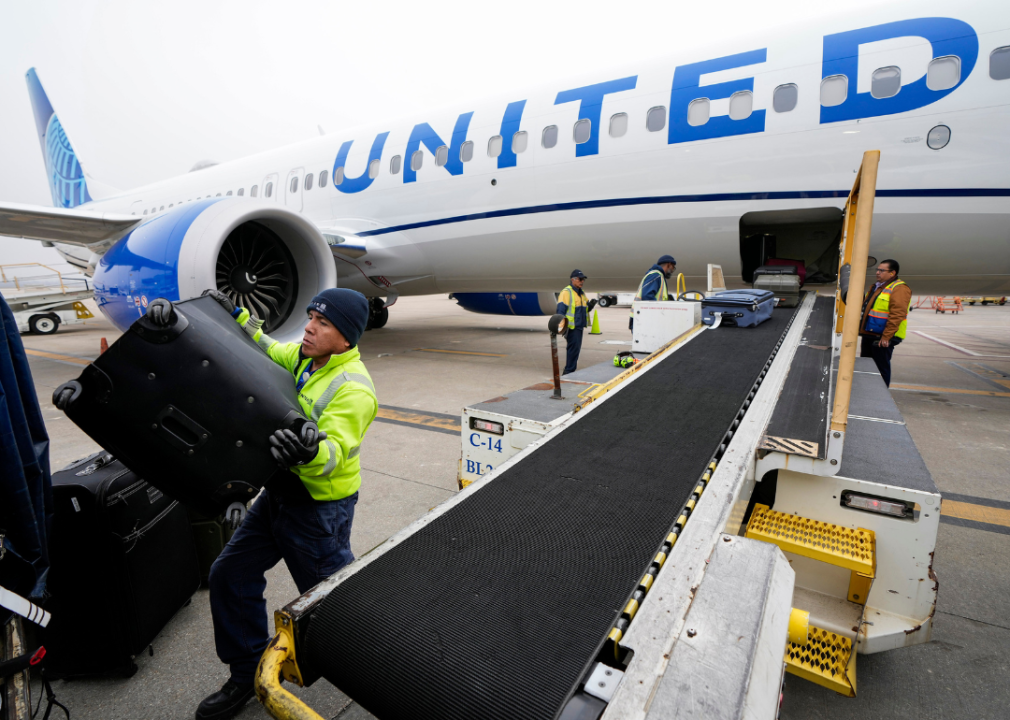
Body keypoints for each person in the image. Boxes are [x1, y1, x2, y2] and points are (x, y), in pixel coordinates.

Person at [146, 287, 377, 720]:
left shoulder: (355, 389)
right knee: (229, 573)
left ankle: (383, 674)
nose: (309, 326)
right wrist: (221, 314)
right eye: (311, 316)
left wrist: (309, 452)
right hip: (279, 494)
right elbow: (266, 346)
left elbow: (335, 454)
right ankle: (247, 671)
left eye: (323, 323)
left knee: (331, 606)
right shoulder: (306, 360)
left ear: (346, 338)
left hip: (318, 509)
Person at [858, 259, 911, 387]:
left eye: (882, 270)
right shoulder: (877, 286)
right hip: (870, 333)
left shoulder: (899, 289)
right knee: (866, 366)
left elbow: (897, 314)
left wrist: (887, 336)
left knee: (880, 368)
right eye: (877, 270)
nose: (877, 272)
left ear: (892, 273)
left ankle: (881, 396)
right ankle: (867, 392)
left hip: (883, 336)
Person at [557, 270, 596, 375]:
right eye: (580, 279)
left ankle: (570, 370)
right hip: (571, 327)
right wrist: (562, 328)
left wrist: (591, 305)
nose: (582, 281)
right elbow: (560, 311)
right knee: (573, 350)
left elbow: (585, 309)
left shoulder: (581, 293)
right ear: (572, 279)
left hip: (579, 326)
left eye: (583, 279)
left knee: (576, 350)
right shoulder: (567, 292)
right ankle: (568, 371)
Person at [629, 255, 676, 331]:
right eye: (673, 267)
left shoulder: (658, 276)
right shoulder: (656, 275)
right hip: (642, 319)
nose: (673, 270)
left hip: (644, 318)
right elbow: (647, 296)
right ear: (669, 264)